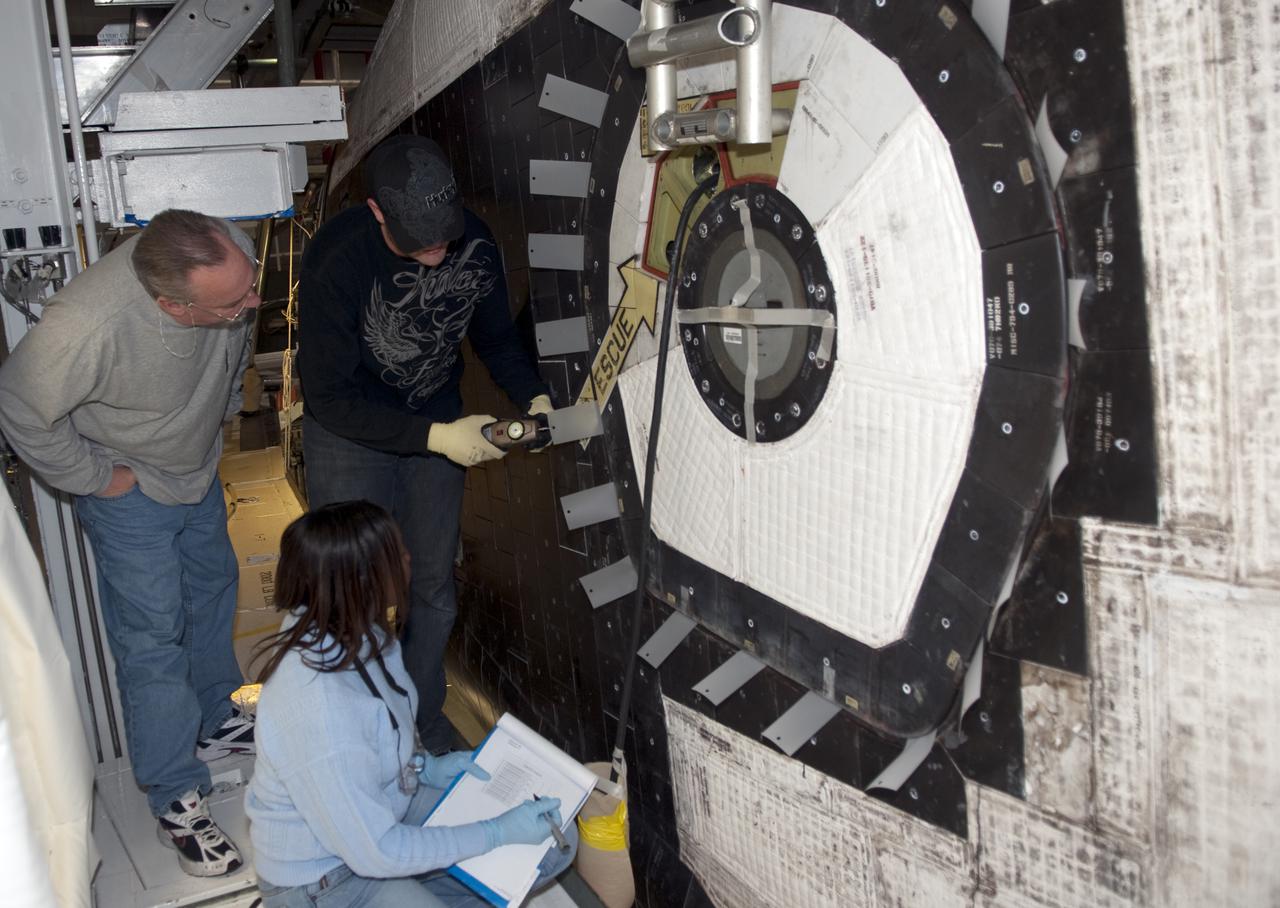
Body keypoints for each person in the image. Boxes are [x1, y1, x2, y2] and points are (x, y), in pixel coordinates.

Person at [0, 209, 262, 877]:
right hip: (132, 486)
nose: (252, 302)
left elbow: (235, 343)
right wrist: (94, 478)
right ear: (170, 303)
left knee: (212, 591)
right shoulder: (86, 324)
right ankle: (176, 795)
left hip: (196, 466)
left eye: (249, 284)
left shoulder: (232, 256)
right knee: (153, 636)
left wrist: (223, 411)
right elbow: (19, 406)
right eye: (232, 302)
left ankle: (215, 715)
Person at [298, 134, 552, 754]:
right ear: (379, 212)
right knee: (348, 588)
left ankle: (420, 714)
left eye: (446, 234)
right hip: (348, 437)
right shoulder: (337, 259)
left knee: (432, 585)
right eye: (421, 240)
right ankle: (355, 728)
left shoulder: (475, 244)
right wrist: (437, 436)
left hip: (435, 425)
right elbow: (327, 396)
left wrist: (535, 397)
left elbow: (495, 340)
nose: (439, 250)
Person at [246, 501, 576, 906]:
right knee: (504, 844)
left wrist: (423, 767)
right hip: (327, 879)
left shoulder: (351, 623)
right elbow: (377, 850)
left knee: (555, 843)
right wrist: (495, 832)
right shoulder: (319, 710)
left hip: (387, 808)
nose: (408, 558)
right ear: (361, 578)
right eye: (396, 552)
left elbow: (380, 732)